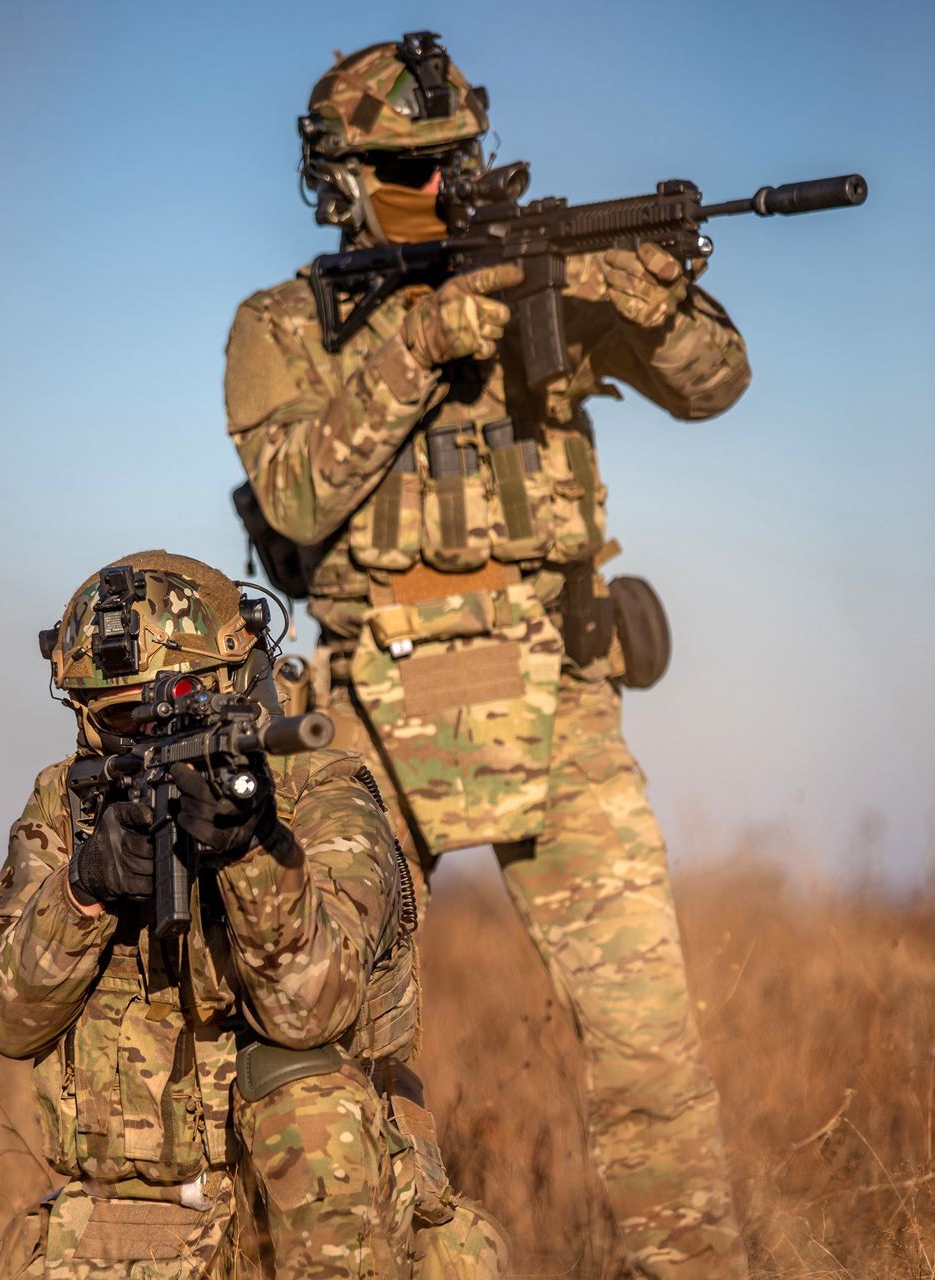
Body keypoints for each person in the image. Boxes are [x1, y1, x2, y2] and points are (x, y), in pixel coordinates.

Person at [224, 32, 751, 1279]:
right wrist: (421, 341)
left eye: (455, 161)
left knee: (649, 1051)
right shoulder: (283, 324)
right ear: (341, 181)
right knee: (325, 1047)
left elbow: (714, 385)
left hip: (556, 700)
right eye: (407, 170)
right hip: (365, 719)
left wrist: (658, 303)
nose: (438, 186)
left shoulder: (545, 281)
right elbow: (293, 494)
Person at [0, 550, 508, 1279]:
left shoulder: (323, 796)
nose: (148, 735)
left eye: (171, 706)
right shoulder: (69, 805)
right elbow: (3, 1019)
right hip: (135, 1228)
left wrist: (252, 853)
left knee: (304, 1085)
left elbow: (312, 1012)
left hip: (319, 1224)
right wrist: (83, 890)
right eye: (121, 716)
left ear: (233, 678)